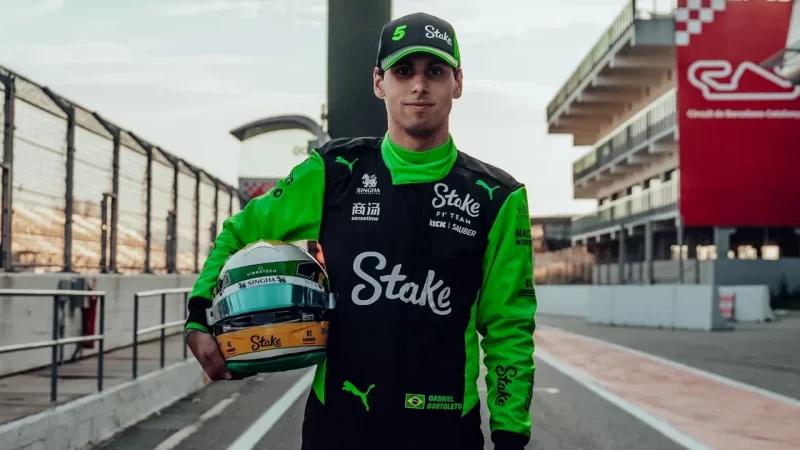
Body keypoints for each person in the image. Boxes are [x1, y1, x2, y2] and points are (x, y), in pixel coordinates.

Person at [184, 11, 537, 450]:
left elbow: (509, 327)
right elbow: (239, 232)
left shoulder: (498, 197)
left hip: (444, 431)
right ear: (378, 82)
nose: (419, 85)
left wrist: (510, 436)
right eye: (403, 71)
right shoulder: (334, 170)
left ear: (458, 83)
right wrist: (199, 314)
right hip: (338, 427)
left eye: (435, 71)